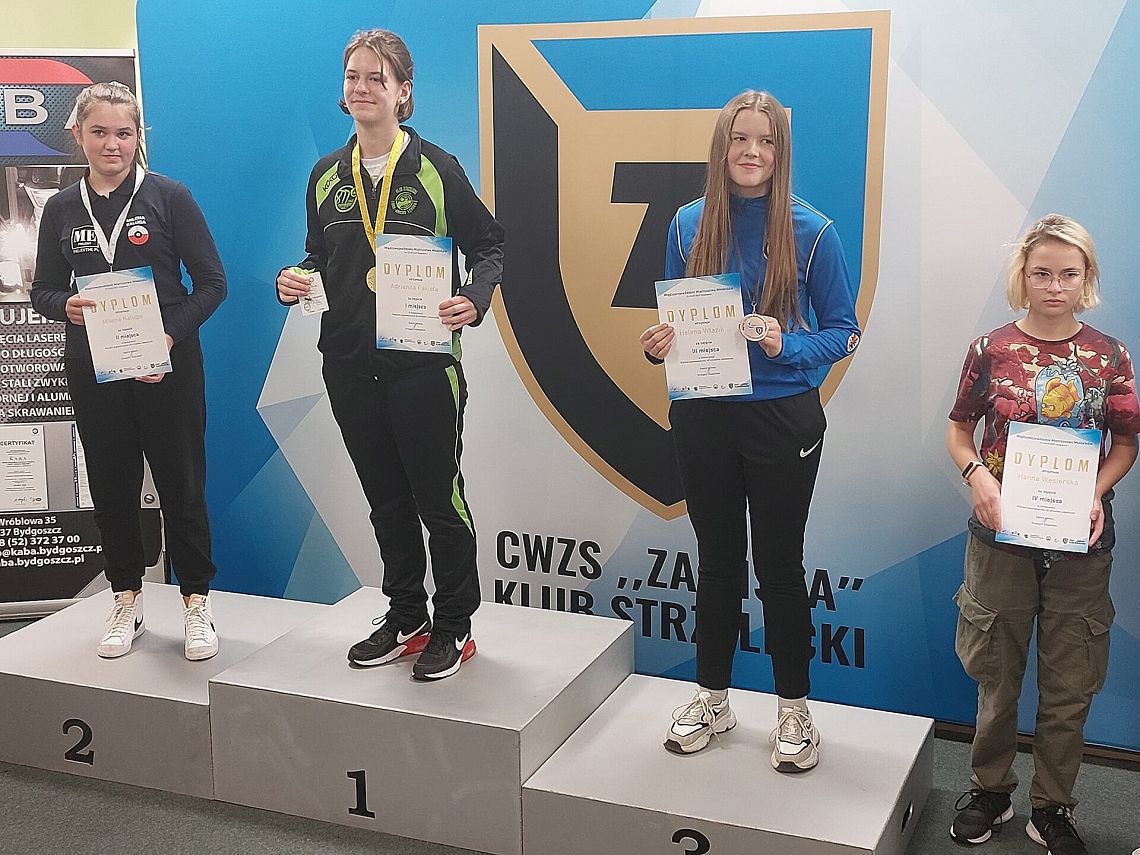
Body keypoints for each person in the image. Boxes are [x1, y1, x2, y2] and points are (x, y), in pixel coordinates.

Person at [640, 90, 861, 770]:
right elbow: (678, 317)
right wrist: (660, 344)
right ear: (722, 145)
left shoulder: (814, 231)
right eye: (740, 138)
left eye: (765, 141)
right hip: (703, 413)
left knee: (779, 567)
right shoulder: (686, 223)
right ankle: (712, 697)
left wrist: (783, 346)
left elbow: (844, 332)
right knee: (716, 562)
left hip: (781, 418)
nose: (752, 151)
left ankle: (794, 710)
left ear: (780, 151)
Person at [276, 29, 503, 681]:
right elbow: (319, 254)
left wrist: (474, 297)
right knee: (385, 500)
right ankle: (407, 615)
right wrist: (296, 276)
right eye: (353, 76)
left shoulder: (437, 168)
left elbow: (489, 245)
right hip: (349, 365)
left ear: (403, 92)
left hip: (424, 366)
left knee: (439, 500)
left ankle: (454, 625)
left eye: (377, 77)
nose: (362, 88)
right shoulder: (326, 175)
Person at [946, 215, 1139, 853]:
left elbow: (1126, 443)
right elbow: (959, 431)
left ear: (1086, 279)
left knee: (1069, 683)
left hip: (1080, 544)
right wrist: (978, 476)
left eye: (1068, 274)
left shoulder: (1110, 356)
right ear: (1022, 277)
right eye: (1042, 274)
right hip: (1000, 538)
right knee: (997, 675)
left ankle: (1053, 807)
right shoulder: (990, 349)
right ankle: (990, 790)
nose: (1055, 286)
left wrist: (1094, 491)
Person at [31, 82, 227, 660]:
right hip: (95, 369)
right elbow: (43, 289)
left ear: (140, 136)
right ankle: (126, 599)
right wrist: (63, 306)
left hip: (168, 367)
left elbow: (212, 284)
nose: (112, 144)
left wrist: (166, 336)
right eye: (99, 132)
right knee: (111, 488)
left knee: (182, 487)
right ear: (77, 134)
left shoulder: (169, 196)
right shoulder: (61, 208)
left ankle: (196, 602)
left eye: (124, 133)